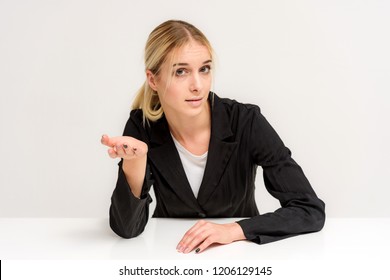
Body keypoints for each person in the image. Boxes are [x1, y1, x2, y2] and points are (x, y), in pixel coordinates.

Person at [101, 19, 325, 254]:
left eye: (204, 69)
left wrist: (232, 231)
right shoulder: (142, 126)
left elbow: (309, 209)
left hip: (245, 255)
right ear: (153, 79)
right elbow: (126, 229)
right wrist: (136, 162)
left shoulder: (245, 120)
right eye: (181, 72)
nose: (197, 85)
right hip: (169, 254)